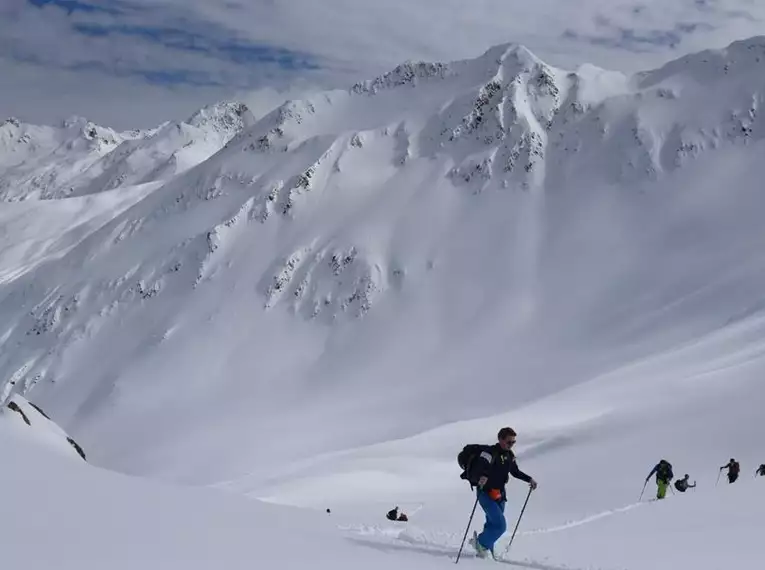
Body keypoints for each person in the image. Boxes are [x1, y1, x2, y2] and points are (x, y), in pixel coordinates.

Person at [467, 427, 537, 559]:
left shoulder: (509, 456)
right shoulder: (489, 453)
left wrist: (529, 479)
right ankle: (480, 542)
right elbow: (480, 467)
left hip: (500, 494)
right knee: (500, 526)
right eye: (509, 442)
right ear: (500, 439)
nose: (511, 445)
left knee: (492, 524)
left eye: (513, 442)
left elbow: (515, 472)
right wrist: (481, 477)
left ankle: (486, 550)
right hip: (485, 493)